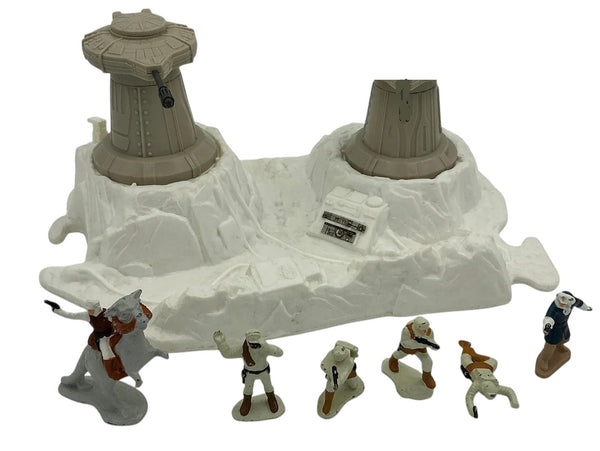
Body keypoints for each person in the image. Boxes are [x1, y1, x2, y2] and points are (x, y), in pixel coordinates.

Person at [213, 329, 283, 416]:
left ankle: (271, 397)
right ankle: (247, 401)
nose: (255, 346)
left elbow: (279, 353)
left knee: (268, 385)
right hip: (250, 373)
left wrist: (267, 347)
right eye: (252, 344)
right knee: (248, 388)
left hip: (264, 372)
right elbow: (228, 353)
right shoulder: (243, 349)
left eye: (256, 344)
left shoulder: (264, 348)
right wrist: (221, 343)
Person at [536, 291, 592, 377]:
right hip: (553, 329)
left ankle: (559, 346)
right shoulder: (554, 308)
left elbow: (580, 303)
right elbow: (548, 318)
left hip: (564, 325)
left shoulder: (572, 302)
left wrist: (586, 307)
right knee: (550, 346)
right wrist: (547, 326)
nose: (561, 303)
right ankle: (544, 360)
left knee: (565, 338)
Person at [388, 316, 439, 389]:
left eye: (425, 330)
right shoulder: (407, 330)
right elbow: (405, 343)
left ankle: (426, 376)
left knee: (428, 361)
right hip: (408, 348)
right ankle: (393, 360)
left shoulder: (429, 331)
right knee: (399, 354)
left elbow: (431, 340)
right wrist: (420, 344)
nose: (423, 332)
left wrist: (432, 345)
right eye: (421, 330)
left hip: (421, 348)